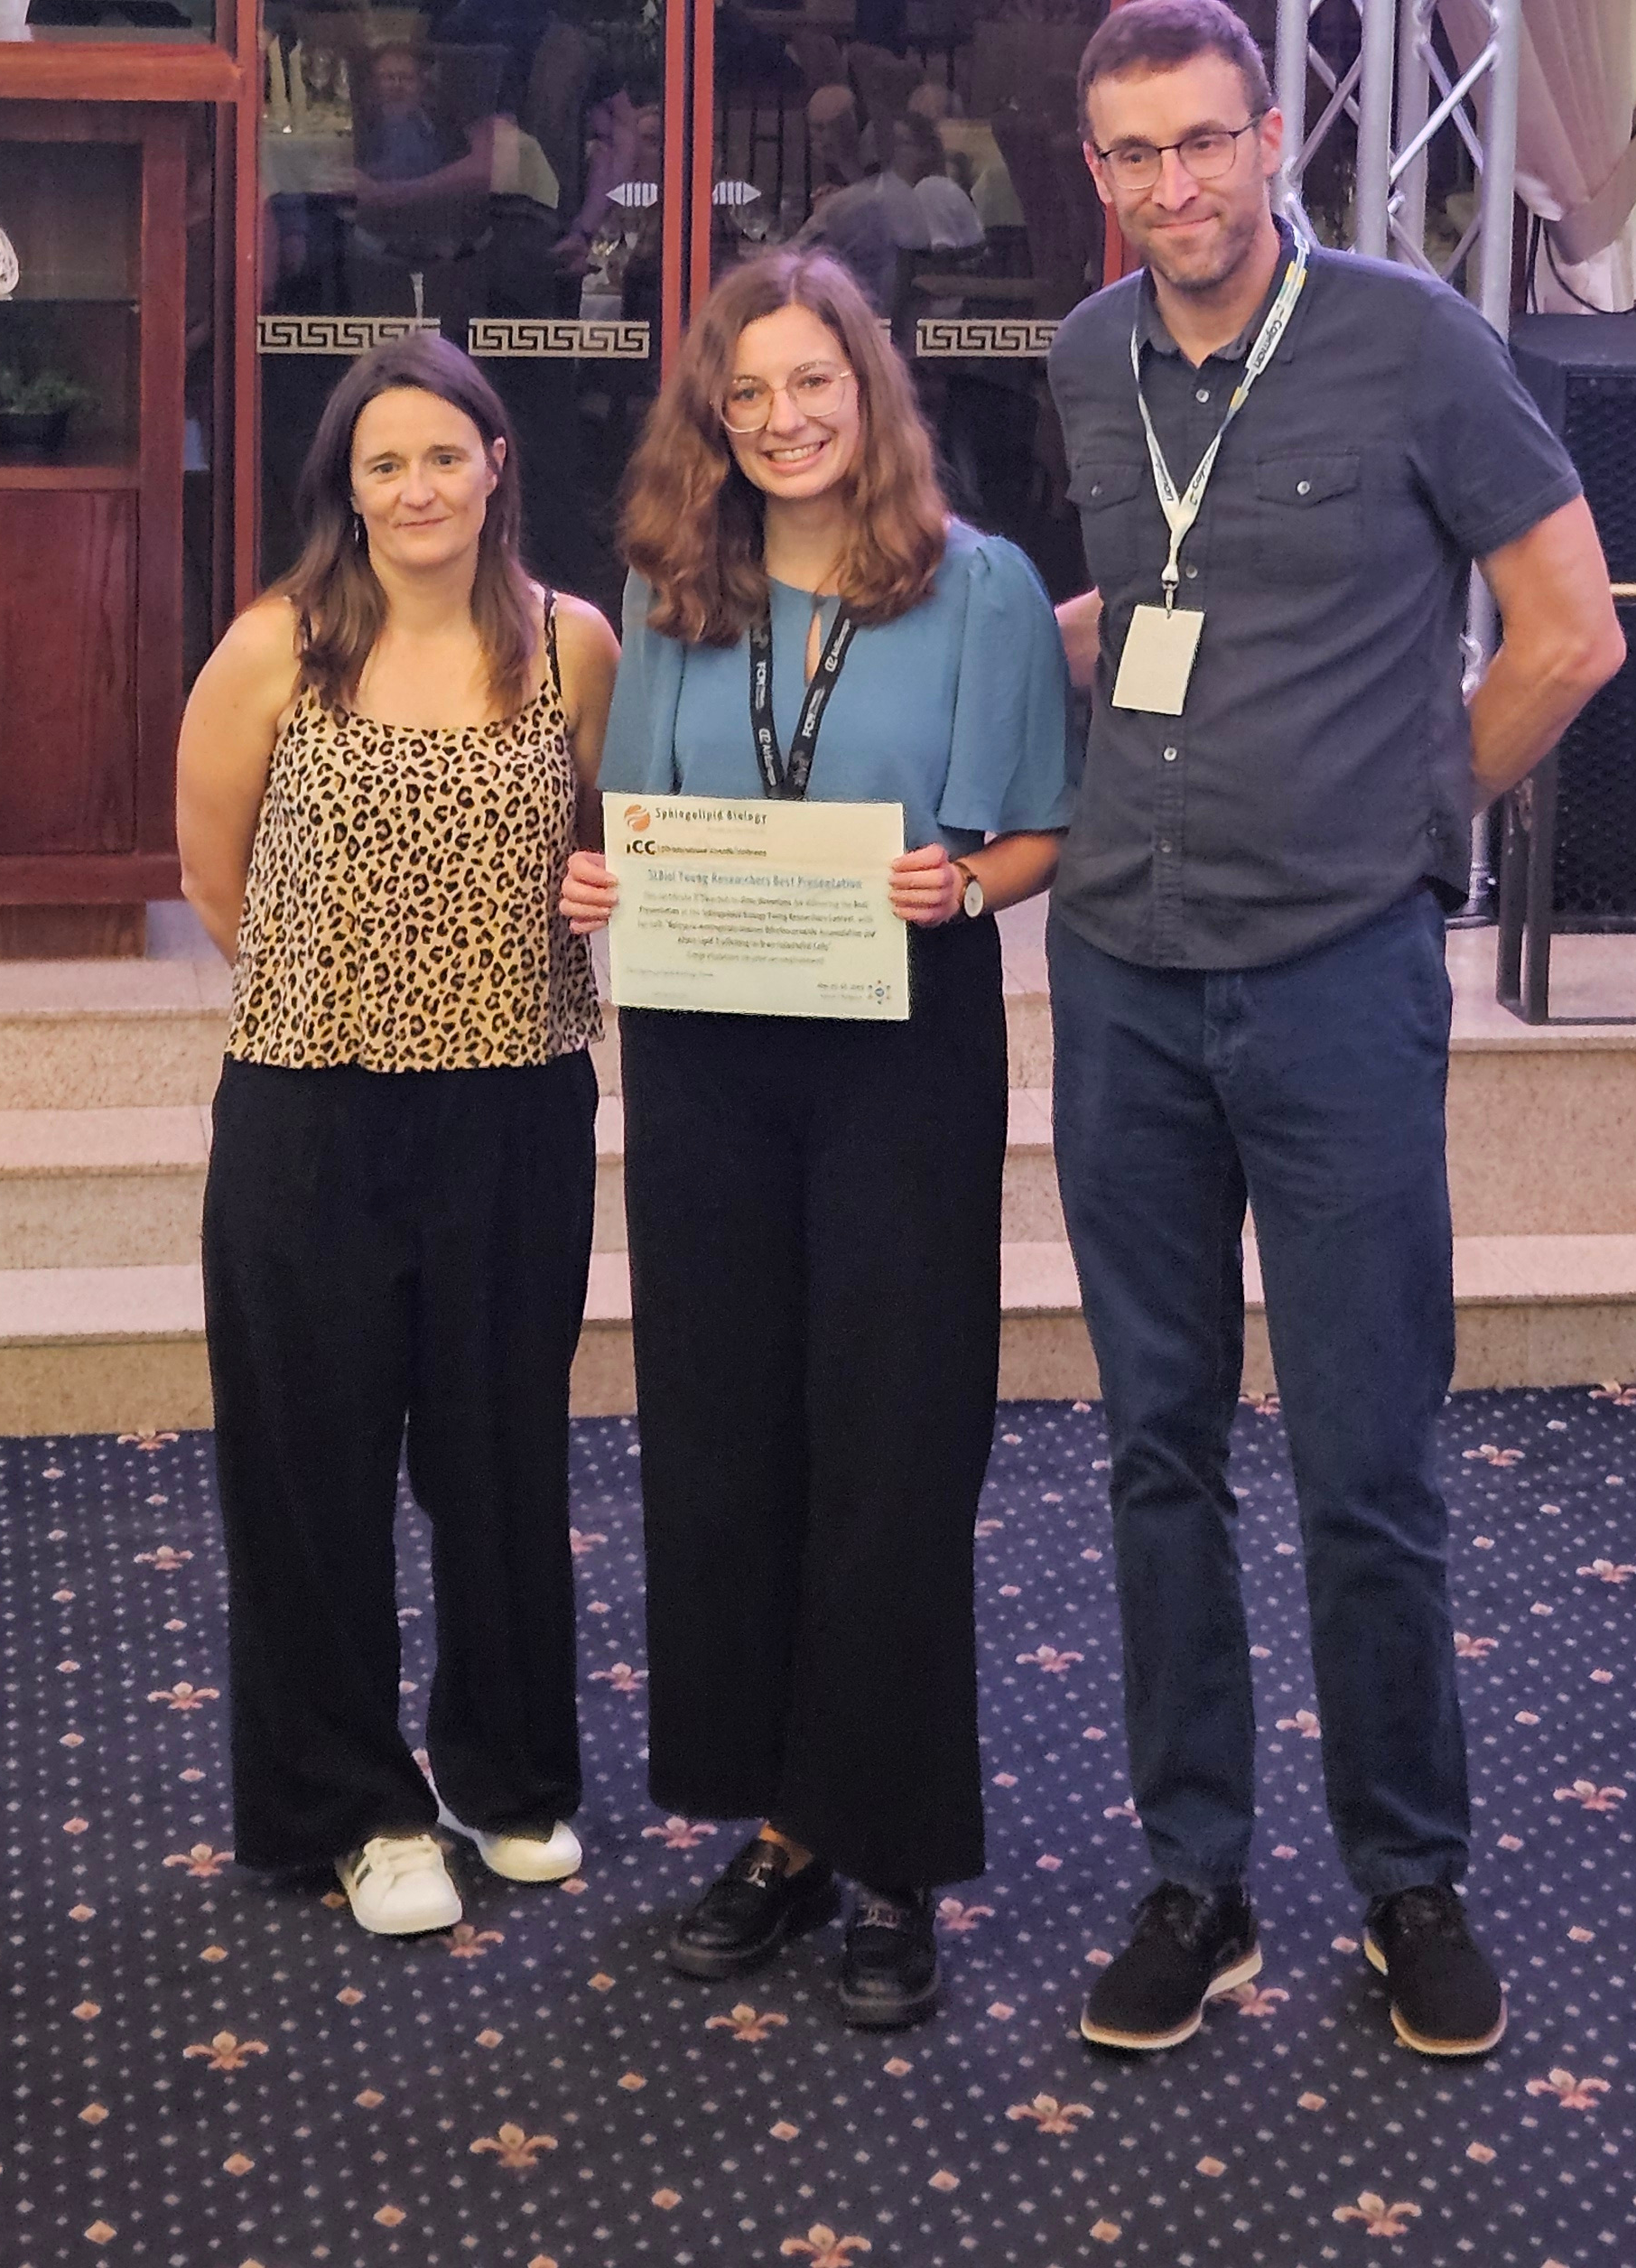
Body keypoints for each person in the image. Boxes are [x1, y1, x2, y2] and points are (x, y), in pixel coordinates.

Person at [1044, 0, 1623, 2062]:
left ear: (1272, 134)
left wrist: (1410, 813)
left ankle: (1411, 1877)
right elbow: (1133, 606)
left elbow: (1572, 630)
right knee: (1155, 1447)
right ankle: (1192, 1873)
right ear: (1094, 170)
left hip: (1335, 977)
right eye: (1132, 153)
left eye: (1204, 141)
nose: (1173, 185)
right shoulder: (1085, 363)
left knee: (1369, 1454)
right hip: (1119, 971)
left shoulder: (1412, 341)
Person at [562, 248, 1073, 2030]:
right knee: (728, 1440)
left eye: (812, 382)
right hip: (708, 1053)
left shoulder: (982, 584)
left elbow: (1039, 837)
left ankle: (893, 1856)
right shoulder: (670, 583)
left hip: (899, 1053)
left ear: (870, 389)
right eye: (748, 392)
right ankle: (778, 1825)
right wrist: (600, 878)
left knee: (893, 1444)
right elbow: (633, 819)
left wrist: (964, 876)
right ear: (715, 413)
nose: (782, 419)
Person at [176, 338, 619, 1939]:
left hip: (516, 1104)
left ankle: (509, 1778)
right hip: (312, 1108)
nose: (417, 487)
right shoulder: (273, 650)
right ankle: (353, 1804)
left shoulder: (576, 647)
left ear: (499, 463)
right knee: (314, 1465)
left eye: (445, 454)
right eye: (384, 464)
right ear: (344, 489)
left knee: (502, 1455)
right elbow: (216, 878)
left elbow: (602, 845)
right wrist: (349, 1001)